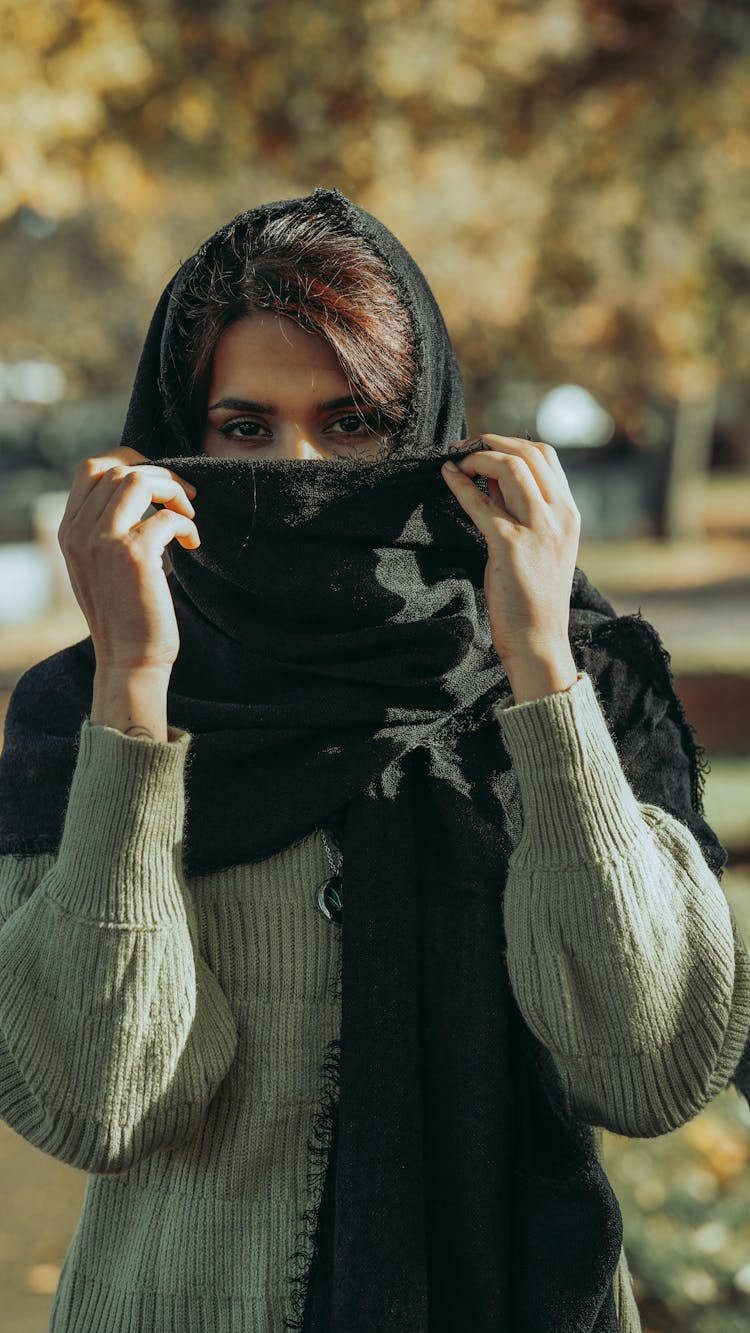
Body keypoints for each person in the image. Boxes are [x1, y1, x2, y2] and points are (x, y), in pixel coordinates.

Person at [0, 185, 748, 1333]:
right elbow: (97, 1100)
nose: (303, 467)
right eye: (245, 429)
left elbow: (644, 1064)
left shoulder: (561, 683)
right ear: (176, 441)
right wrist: (135, 688)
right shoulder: (84, 714)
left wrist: (543, 667)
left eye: (353, 423)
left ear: (427, 429)